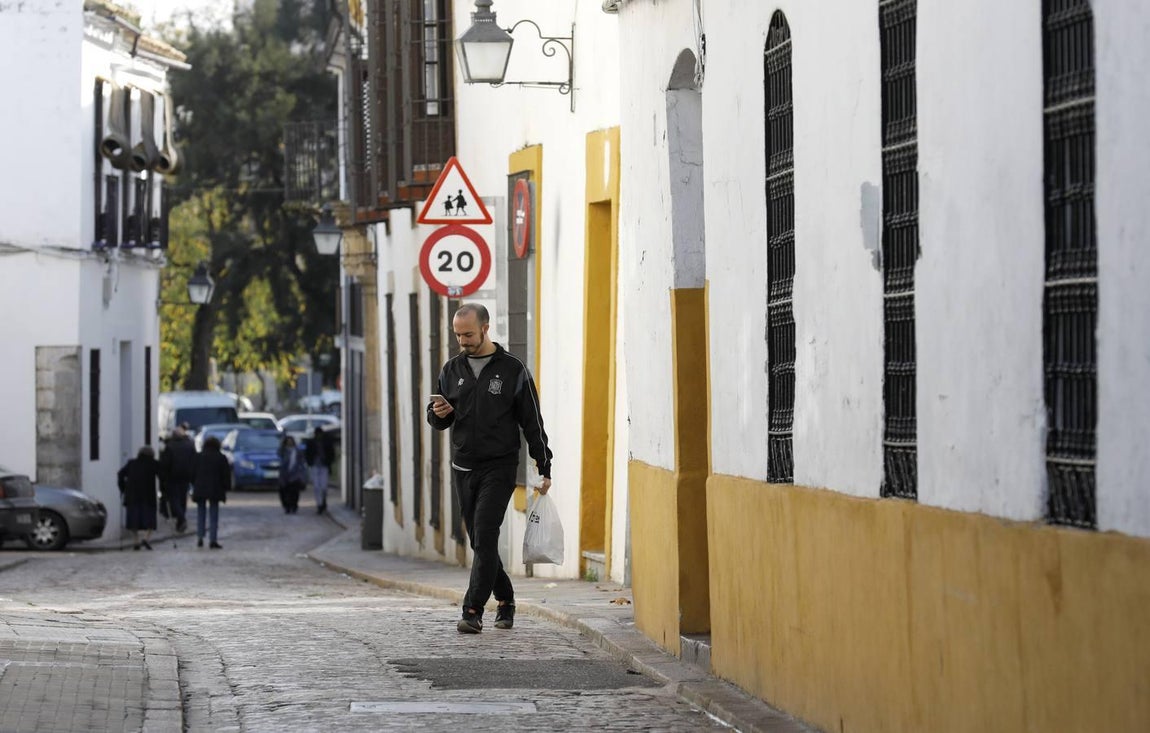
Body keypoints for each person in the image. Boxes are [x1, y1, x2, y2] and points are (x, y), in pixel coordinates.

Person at [427, 302, 552, 634]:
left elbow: (532, 420)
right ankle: (507, 600)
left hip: (500, 465)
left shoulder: (513, 369)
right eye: (457, 335)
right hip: (463, 466)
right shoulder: (451, 369)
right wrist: (439, 415)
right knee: (479, 542)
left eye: (468, 334)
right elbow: (438, 417)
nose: (463, 341)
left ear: (485, 328)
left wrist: (544, 462)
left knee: (485, 533)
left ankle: (472, 610)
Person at [117, 446, 160, 550]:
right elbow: (162, 476)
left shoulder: (132, 463)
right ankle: (146, 538)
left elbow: (120, 474)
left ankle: (136, 540)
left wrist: (123, 488)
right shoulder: (154, 463)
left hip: (132, 495)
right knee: (150, 520)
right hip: (148, 496)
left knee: (133, 519)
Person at [191, 435, 230, 549]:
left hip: (201, 488)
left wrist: (194, 484)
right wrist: (225, 488)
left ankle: (200, 537)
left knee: (200, 513)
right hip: (215, 489)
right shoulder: (221, 457)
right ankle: (213, 539)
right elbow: (225, 475)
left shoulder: (198, 457)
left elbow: (192, 473)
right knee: (214, 515)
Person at [158, 424, 195, 533]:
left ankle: (181, 519)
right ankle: (180, 522)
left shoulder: (170, 447)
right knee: (182, 500)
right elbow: (194, 461)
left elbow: (165, 464)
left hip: (172, 477)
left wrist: (163, 478)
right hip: (186, 476)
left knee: (174, 500)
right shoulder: (189, 445)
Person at [304, 426, 335, 514]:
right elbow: (307, 454)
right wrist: (309, 462)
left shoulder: (327, 443)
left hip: (324, 466)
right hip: (315, 466)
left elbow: (331, 454)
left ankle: (323, 501)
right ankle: (319, 504)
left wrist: (329, 462)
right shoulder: (311, 443)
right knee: (317, 487)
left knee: (324, 486)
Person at [277, 435, 307, 514]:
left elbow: (302, 463)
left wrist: (302, 475)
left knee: (294, 492)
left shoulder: (297, 451)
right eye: (288, 441)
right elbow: (279, 457)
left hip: (295, 474)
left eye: (291, 441)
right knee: (284, 491)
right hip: (285, 474)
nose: (289, 443)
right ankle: (287, 506)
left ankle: (294, 506)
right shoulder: (283, 451)